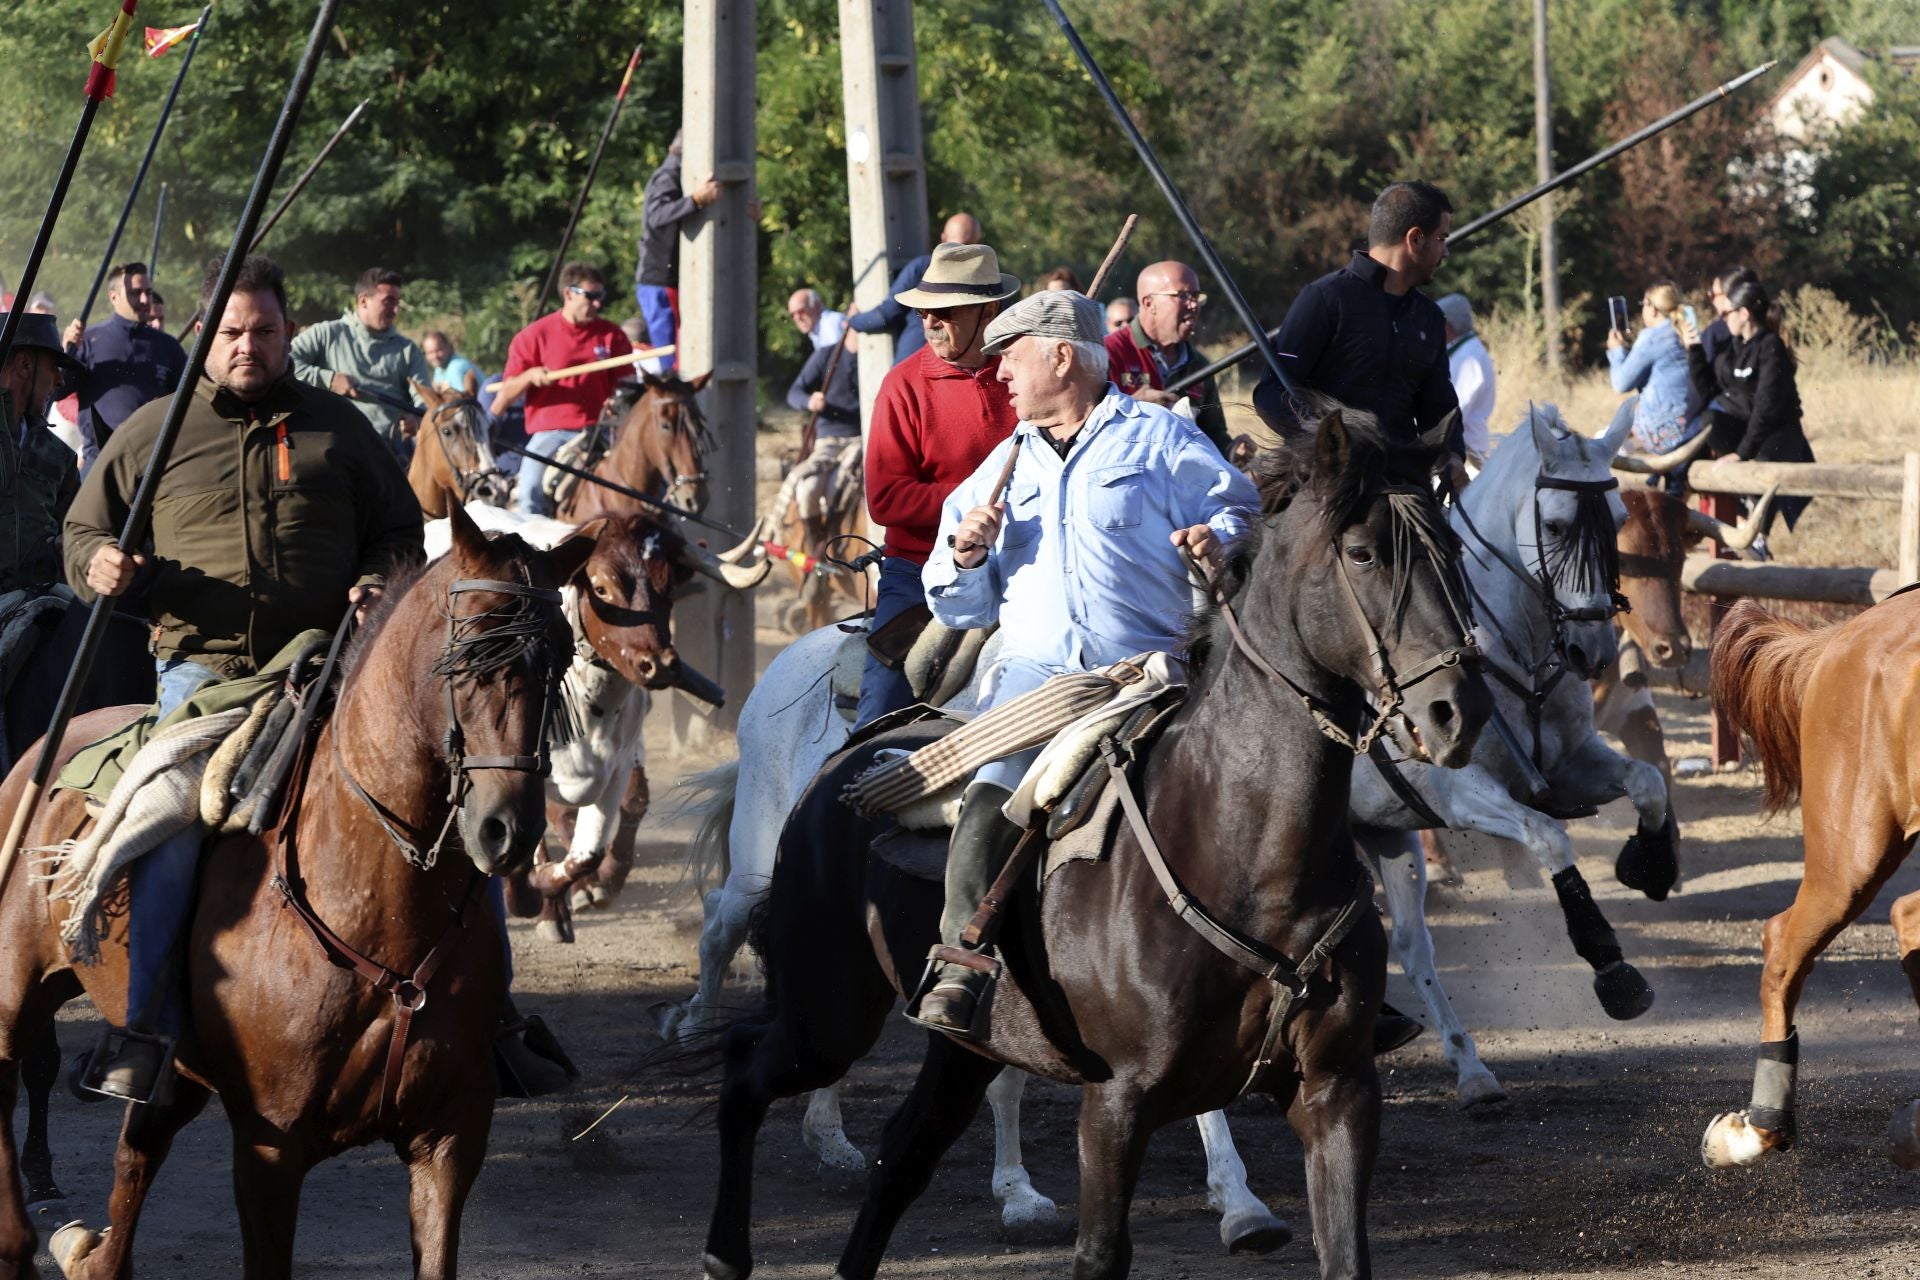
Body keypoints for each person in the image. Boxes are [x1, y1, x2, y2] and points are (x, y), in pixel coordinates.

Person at [63, 252, 423, 1102]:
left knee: (430, 799)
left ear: (288, 331)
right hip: (204, 677)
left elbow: (401, 531)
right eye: (231, 331)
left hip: (329, 665)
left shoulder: (341, 427)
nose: (247, 345)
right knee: (176, 825)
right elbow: (82, 532)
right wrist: (101, 565)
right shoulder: (154, 430)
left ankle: (498, 1021)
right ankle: (142, 1027)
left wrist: (377, 580)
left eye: (263, 330)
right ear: (205, 334)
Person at [914, 289, 1258, 1033]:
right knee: (991, 791)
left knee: (1268, 782)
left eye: (1011, 356)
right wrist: (968, 557)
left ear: (1061, 356)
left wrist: (1216, 542)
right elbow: (958, 606)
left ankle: (1318, 957)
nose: (999, 373)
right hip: (1037, 685)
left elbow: (1242, 511)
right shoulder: (999, 470)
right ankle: (958, 962)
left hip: (1151, 678)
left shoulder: (1160, 440)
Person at [859, 242, 1022, 727]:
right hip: (919, 574)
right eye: (924, 311)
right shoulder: (902, 385)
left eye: (944, 312)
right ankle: (851, 784)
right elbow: (885, 500)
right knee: (881, 711)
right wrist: (973, 508)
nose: (929, 322)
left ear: (988, 311)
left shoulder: (1027, 378)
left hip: (1024, 566)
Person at [1253, 181, 1463, 477]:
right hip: (1322, 484)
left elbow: (1439, 408)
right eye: (1441, 238)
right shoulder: (1325, 299)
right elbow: (1272, 392)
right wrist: (1325, 445)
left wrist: (1452, 455)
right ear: (1415, 239)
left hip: (1403, 486)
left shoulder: (1429, 317)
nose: (1445, 251)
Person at [492, 261, 634, 517]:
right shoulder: (533, 336)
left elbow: (628, 387)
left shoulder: (613, 335)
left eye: (600, 297)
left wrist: (618, 401)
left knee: (649, 484)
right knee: (530, 492)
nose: (597, 304)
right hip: (553, 433)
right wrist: (527, 377)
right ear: (569, 293)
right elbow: (500, 400)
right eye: (590, 296)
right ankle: (530, 547)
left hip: (602, 430)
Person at [1682, 279, 1812, 547]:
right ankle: (1742, 515)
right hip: (1749, 432)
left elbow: (1766, 408)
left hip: (1778, 435)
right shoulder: (1734, 347)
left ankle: (1759, 537)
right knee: (1709, 422)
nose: (1722, 318)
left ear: (1744, 313)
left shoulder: (1770, 347)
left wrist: (1741, 453)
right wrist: (1694, 350)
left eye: (1727, 312)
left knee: (1765, 458)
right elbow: (1709, 390)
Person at [289, 267, 433, 459]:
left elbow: (425, 399)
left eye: (397, 302)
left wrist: (416, 418)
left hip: (390, 452)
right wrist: (328, 379)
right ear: (363, 301)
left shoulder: (408, 350)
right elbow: (285, 361)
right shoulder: (325, 334)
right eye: (388, 301)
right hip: (334, 448)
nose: (396, 310)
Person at [61, 261, 188, 467]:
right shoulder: (88, 341)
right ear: (114, 297)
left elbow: (187, 403)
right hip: (100, 461)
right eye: (136, 293)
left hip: (153, 464)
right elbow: (57, 391)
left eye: (148, 292)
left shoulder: (168, 347)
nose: (145, 299)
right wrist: (67, 352)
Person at [1104, 260, 1231, 457]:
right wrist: (1131, 408)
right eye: (1182, 296)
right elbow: (1080, 425)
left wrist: (1233, 451)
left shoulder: (1198, 365)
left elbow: (1214, 432)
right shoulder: (1107, 353)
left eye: (1196, 296)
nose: (1194, 304)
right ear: (1149, 303)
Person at [0, 311, 84, 594]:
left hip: (33, 606)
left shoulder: (60, 457)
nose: (60, 381)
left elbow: (77, 529)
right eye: (53, 368)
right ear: (25, 365)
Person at [634, 129, 723, 373]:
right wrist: (695, 200)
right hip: (659, 279)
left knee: (683, 357)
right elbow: (657, 215)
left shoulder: (677, 175)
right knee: (673, 362)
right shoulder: (669, 176)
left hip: (665, 282)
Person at [847, 211, 983, 367]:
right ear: (978, 243)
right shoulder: (987, 279)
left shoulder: (922, 267)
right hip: (963, 368)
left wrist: (854, 320)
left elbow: (887, 314)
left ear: (943, 239)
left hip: (915, 366)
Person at [1605, 281, 1694, 457]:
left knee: (1625, 407)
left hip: (1666, 433)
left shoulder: (1653, 337)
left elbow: (1620, 384)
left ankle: (1613, 448)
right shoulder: (1684, 329)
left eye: (1643, 304)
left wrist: (1616, 350)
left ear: (1652, 308)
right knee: (1634, 407)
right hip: (1691, 423)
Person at [1684, 264, 1759, 453]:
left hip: (1726, 425)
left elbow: (1700, 392)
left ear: (1731, 296)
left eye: (1713, 294)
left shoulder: (1717, 333)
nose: (1710, 300)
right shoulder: (1766, 335)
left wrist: (1687, 425)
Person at [1436, 292, 1495, 467]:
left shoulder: (1469, 358)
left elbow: (1452, 414)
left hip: (1465, 459)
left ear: (1446, 326)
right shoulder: (1463, 351)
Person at [422, 328, 481, 399]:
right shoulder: (440, 368)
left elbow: (463, 400)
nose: (435, 356)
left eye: (439, 350)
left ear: (449, 347)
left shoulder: (456, 367)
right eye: (430, 352)